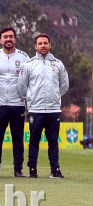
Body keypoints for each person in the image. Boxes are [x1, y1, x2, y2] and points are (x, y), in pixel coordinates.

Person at [18, 34, 69, 179]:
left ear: (50, 45)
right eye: (40, 43)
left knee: (53, 141)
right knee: (34, 140)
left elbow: (64, 85)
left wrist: (55, 97)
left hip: (53, 110)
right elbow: (22, 86)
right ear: (35, 46)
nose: (43, 45)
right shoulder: (29, 64)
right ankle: (32, 169)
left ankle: (55, 169)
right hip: (35, 109)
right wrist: (31, 98)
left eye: (45, 43)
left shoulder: (58, 64)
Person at [0, 27, 30, 177]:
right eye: (5, 37)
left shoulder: (24, 57)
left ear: (15, 39)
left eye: (11, 36)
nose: (8, 39)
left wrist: (21, 95)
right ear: (0, 40)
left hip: (17, 104)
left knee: (17, 138)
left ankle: (18, 169)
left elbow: (27, 80)